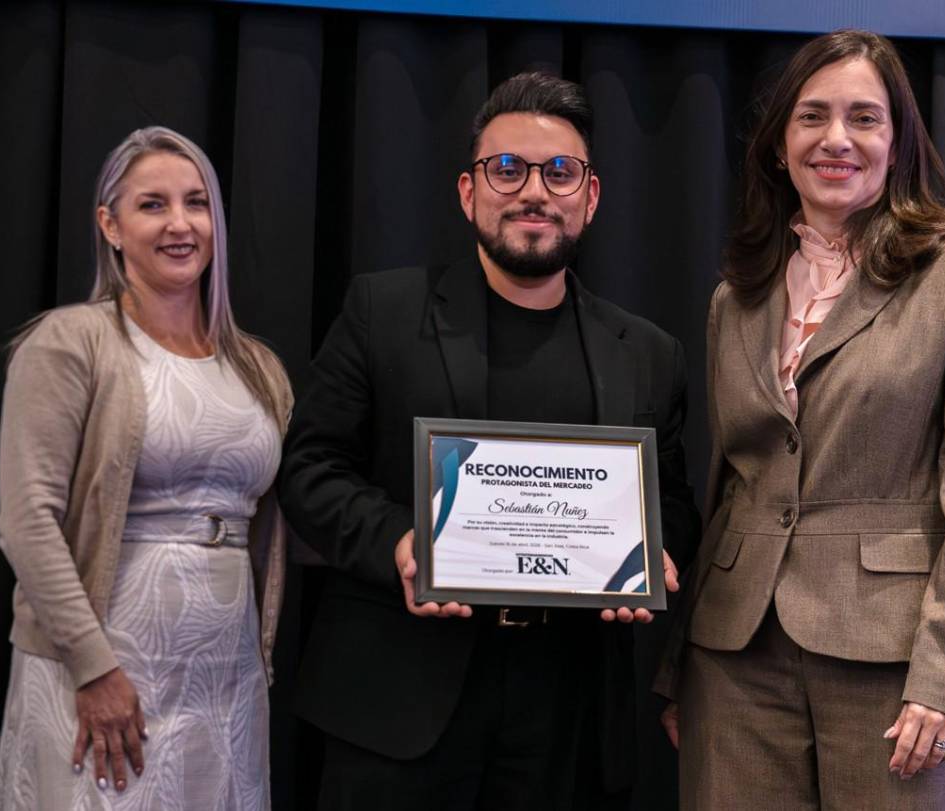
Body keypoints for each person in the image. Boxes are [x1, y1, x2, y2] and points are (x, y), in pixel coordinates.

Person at [279, 72, 700, 809]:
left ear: (591, 197)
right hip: (399, 701)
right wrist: (401, 542)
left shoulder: (648, 353)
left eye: (559, 172)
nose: (533, 191)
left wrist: (654, 553)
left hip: (569, 709)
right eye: (507, 169)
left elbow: (672, 502)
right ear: (468, 192)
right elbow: (310, 469)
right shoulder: (383, 311)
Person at [656, 29, 945, 809]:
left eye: (864, 118)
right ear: (779, 144)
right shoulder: (737, 297)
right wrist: (676, 665)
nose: (836, 138)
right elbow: (729, 487)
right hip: (733, 656)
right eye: (812, 116)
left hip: (896, 659)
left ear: (898, 143)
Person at [0, 126, 293, 809]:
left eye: (196, 202)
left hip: (225, 676)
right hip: (101, 665)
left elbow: (290, 515)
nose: (180, 224)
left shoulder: (258, 367)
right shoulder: (69, 342)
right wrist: (93, 668)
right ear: (111, 225)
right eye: (153, 204)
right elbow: (28, 522)